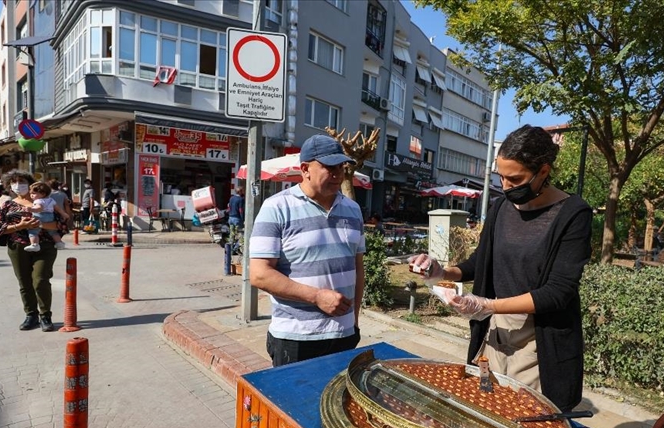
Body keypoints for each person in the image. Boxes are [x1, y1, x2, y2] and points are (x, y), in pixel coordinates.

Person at [409, 125, 593, 412]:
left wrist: (486, 304)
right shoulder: (501, 207)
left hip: (538, 340)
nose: (506, 187)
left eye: (515, 179)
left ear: (543, 171)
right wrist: (441, 272)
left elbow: (558, 292)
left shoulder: (573, 213)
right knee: (488, 404)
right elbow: (478, 264)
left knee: (527, 417)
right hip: (494, 331)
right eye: (501, 178)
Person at [249, 134, 366, 367]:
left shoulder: (353, 209)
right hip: (296, 337)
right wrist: (317, 297)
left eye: (341, 167)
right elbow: (259, 274)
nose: (338, 174)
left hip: (344, 335)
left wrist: (353, 320)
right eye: (329, 167)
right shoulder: (277, 208)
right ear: (305, 169)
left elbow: (357, 268)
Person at [0, 170, 69, 332]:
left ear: (31, 184)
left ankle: (45, 316)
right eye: (14, 182)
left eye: (22, 182)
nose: (19, 185)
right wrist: (21, 226)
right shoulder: (8, 204)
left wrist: (38, 225)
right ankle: (31, 315)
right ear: (9, 185)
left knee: (40, 280)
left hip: (45, 246)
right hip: (18, 247)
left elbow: (62, 225)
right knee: (24, 282)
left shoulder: (47, 201)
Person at [25, 181, 68, 251]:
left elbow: (39, 208)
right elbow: (58, 208)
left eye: (34, 193)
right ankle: (59, 243)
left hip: (40, 216)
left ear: (42, 193)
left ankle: (35, 244)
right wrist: (64, 214)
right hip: (50, 216)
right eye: (31, 194)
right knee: (53, 232)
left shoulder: (38, 201)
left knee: (33, 231)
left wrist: (31, 209)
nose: (31, 195)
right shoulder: (51, 200)